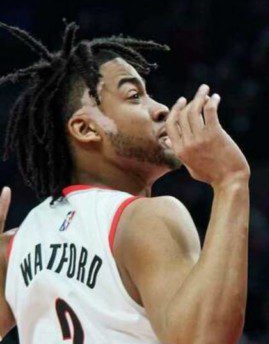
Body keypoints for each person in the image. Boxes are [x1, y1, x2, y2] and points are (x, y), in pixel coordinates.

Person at [0, 22, 250, 343]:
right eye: (134, 96)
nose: (160, 109)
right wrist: (231, 182)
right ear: (86, 129)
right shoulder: (144, 219)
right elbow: (202, 338)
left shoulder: (14, 247)